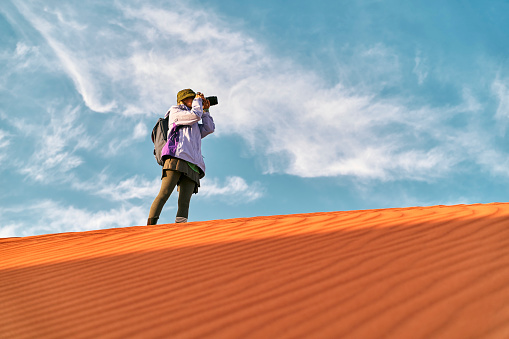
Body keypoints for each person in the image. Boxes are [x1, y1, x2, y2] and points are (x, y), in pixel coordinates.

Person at [147, 89, 215, 225]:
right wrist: (198, 102)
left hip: (193, 163)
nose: (196, 100)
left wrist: (206, 111)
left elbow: (209, 128)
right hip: (176, 157)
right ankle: (150, 228)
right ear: (182, 100)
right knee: (165, 192)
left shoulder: (194, 120)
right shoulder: (175, 111)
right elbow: (195, 116)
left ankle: (179, 229)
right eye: (191, 98)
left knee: (184, 201)